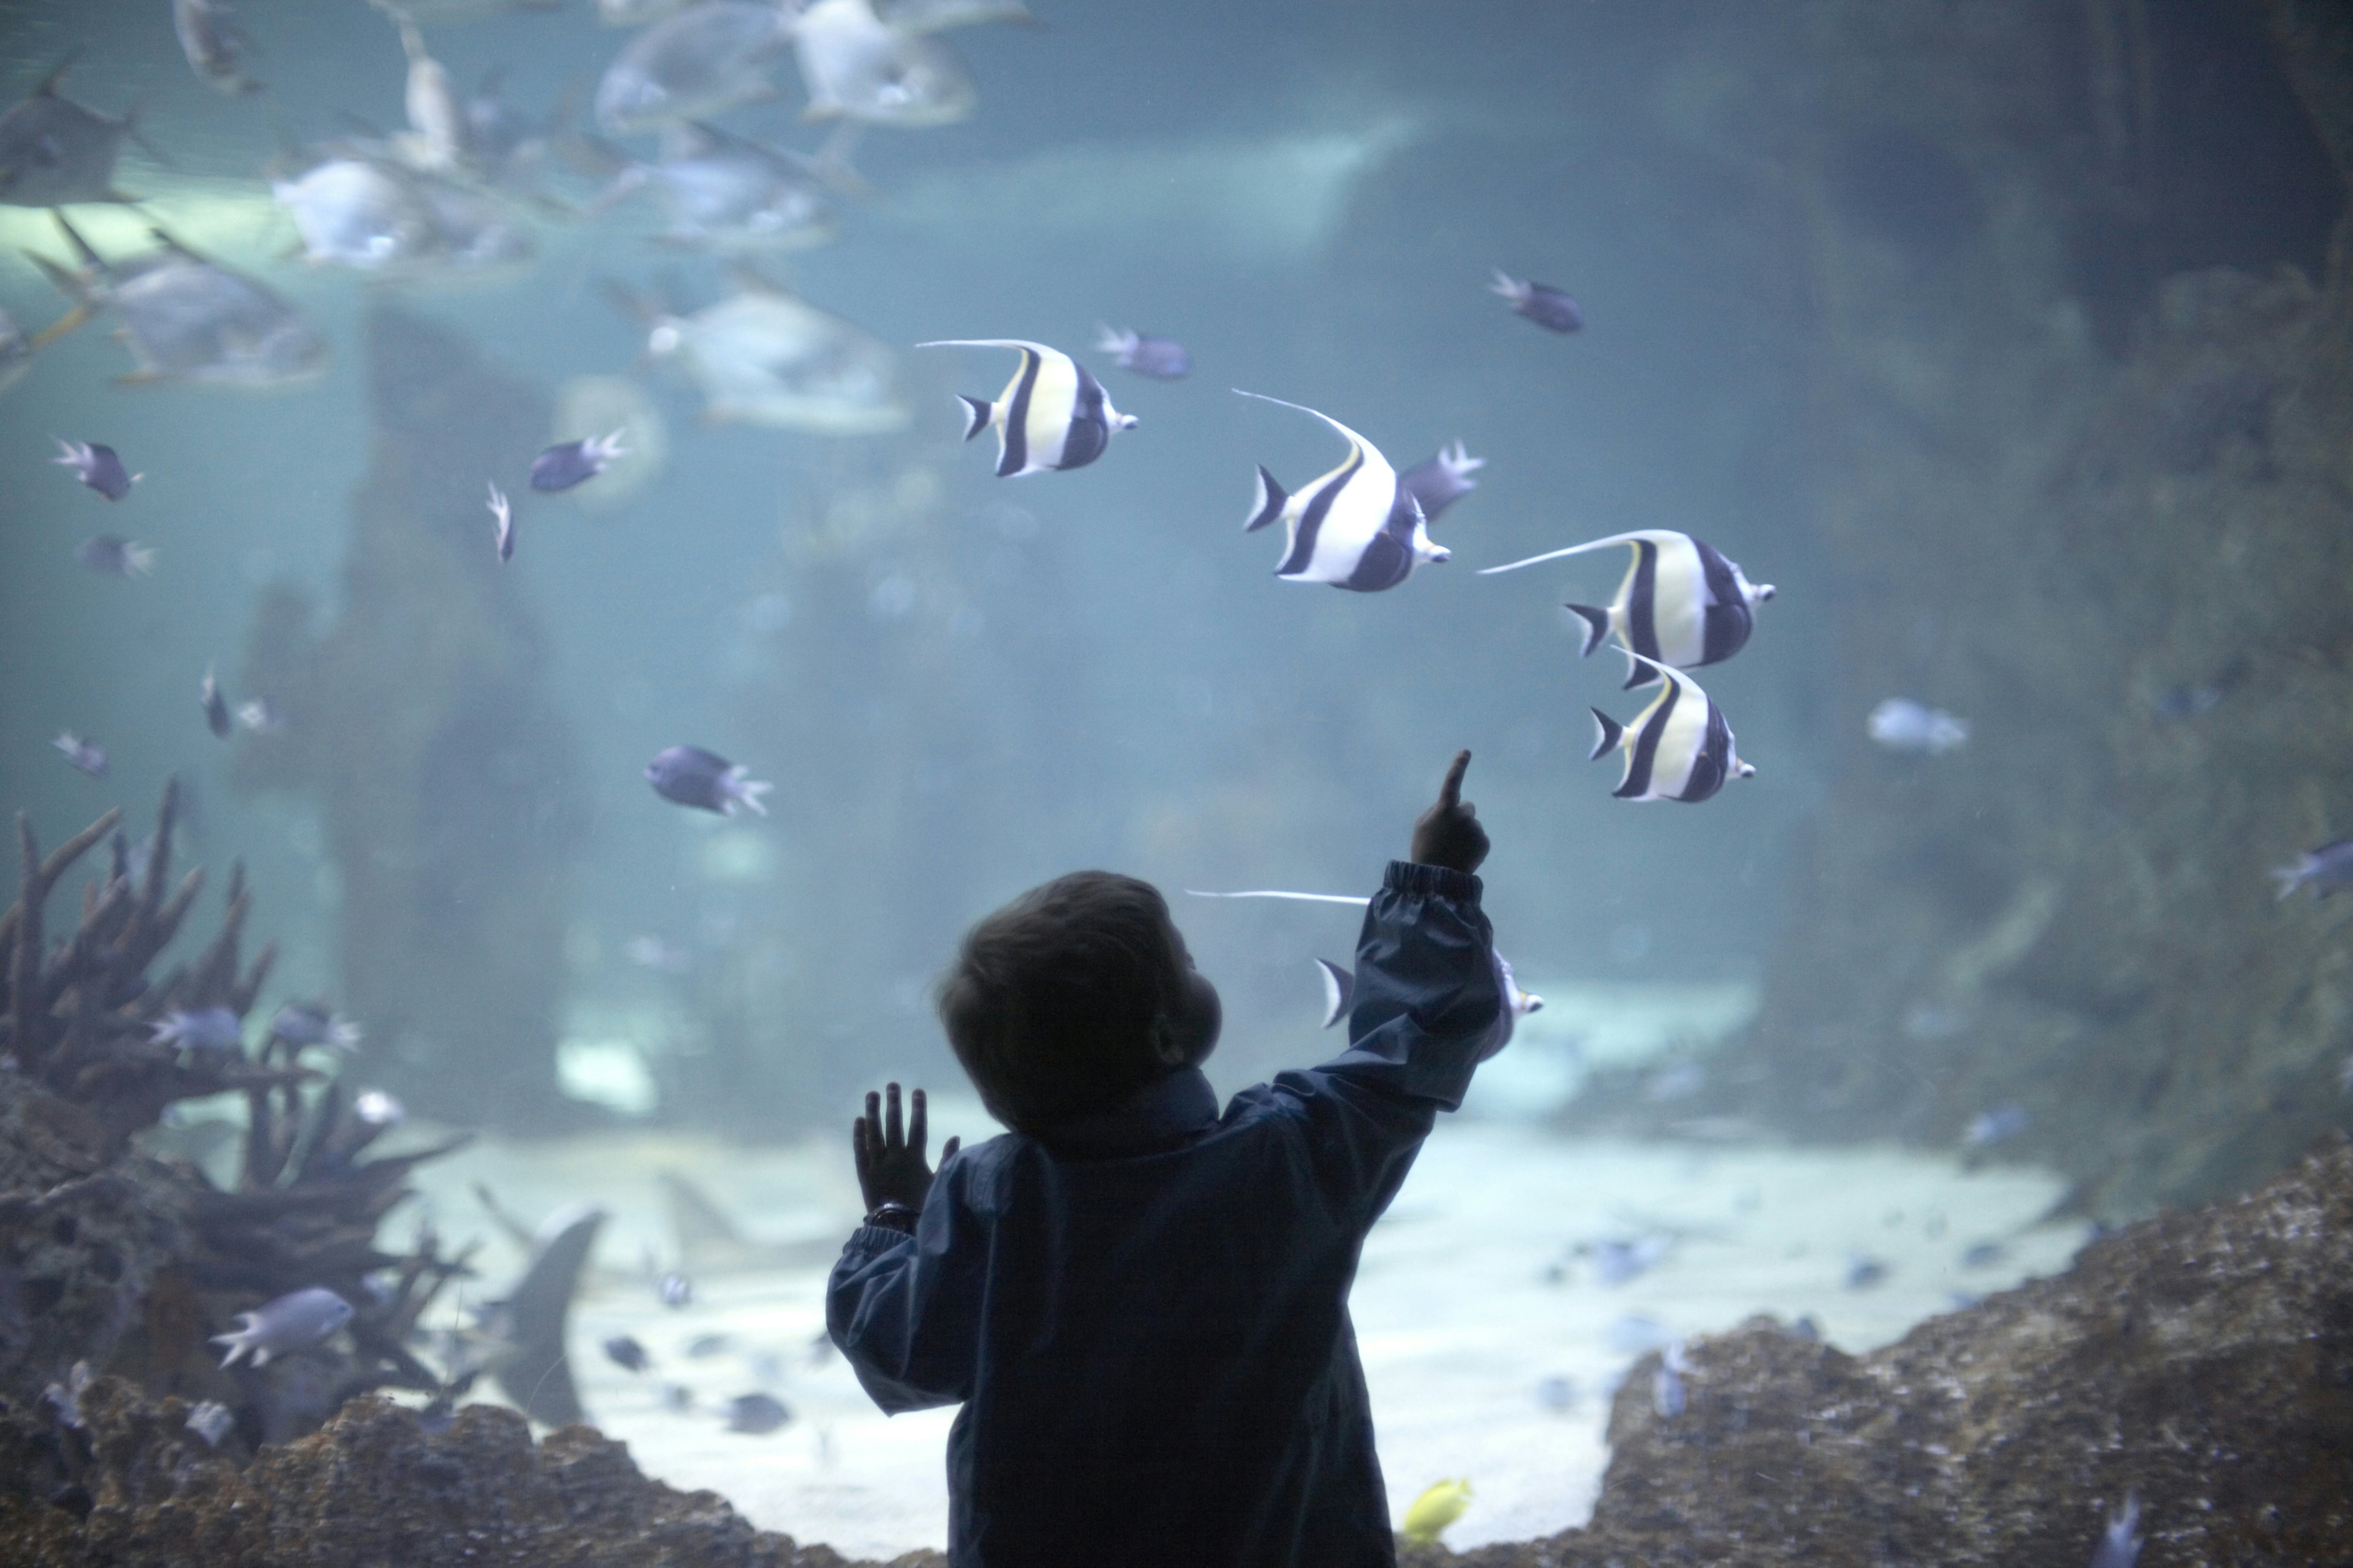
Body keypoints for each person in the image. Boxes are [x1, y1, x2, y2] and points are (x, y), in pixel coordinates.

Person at [828, 750, 1506, 1567]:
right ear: (1164, 1036)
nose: (1198, 967)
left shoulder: (989, 1201)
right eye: (1185, 963)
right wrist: (1433, 884)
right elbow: (1414, 1046)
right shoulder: (1285, 1161)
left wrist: (896, 1220)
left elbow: (906, 1356)